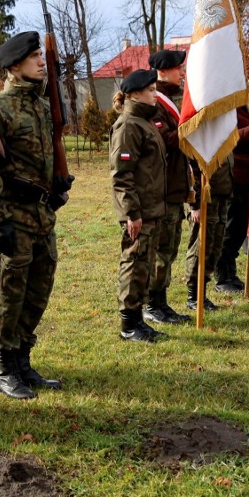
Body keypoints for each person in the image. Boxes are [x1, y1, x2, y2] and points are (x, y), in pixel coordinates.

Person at [0, 31, 67, 399]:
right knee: (11, 293)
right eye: (33, 57)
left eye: (40, 55)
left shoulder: (42, 105)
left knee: (38, 289)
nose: (39, 62)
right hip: (15, 213)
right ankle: (5, 368)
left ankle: (23, 358)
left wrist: (58, 184)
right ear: (15, 65)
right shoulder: (0, 108)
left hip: (42, 213)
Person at [108, 69, 167, 342]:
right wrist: (132, 212)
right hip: (139, 211)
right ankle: (129, 324)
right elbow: (122, 174)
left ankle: (138, 319)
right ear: (133, 94)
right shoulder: (129, 124)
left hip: (151, 209)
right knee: (134, 264)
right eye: (151, 90)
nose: (156, 95)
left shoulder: (144, 122)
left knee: (144, 265)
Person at [144, 49, 191, 324]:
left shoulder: (168, 100)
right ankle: (153, 303)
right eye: (177, 68)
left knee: (170, 248)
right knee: (161, 250)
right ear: (163, 71)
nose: (182, 73)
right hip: (162, 186)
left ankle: (161, 301)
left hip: (174, 185)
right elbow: (165, 139)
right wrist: (194, 126)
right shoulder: (156, 102)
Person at [214, 68, 249, 292]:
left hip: (246, 176)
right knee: (230, 227)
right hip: (234, 175)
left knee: (238, 229)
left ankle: (231, 273)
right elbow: (226, 138)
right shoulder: (226, 107)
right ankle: (222, 277)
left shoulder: (242, 106)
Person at [183, 155, 232, 311]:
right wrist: (194, 203)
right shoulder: (202, 131)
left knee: (214, 248)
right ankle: (194, 296)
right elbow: (192, 167)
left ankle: (202, 293)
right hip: (205, 196)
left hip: (221, 193)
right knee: (201, 247)